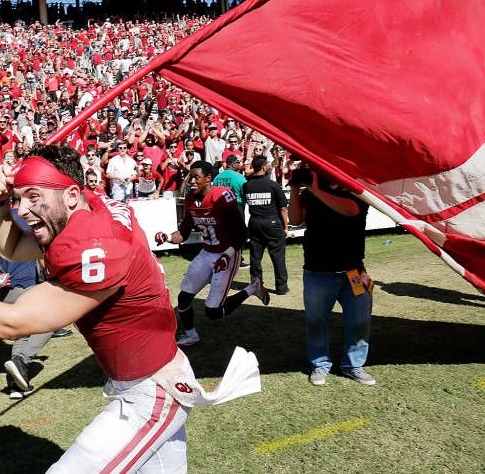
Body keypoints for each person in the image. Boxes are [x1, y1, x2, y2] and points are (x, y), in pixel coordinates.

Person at [0, 145, 261, 472]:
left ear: (71, 195)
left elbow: (17, 322)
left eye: (33, 197)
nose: (23, 210)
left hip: (151, 393)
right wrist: (0, 204)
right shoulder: (86, 208)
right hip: (146, 378)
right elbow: (14, 247)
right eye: (19, 198)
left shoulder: (95, 242)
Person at [155, 160, 269, 347]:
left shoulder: (221, 196)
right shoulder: (191, 198)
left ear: (208, 178)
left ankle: (252, 288)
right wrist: (167, 237)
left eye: (196, 177)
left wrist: (226, 255)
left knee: (213, 312)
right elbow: (183, 233)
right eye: (190, 177)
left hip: (227, 253)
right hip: (207, 252)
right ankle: (191, 335)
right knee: (183, 298)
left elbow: (242, 233)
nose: (192, 181)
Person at [289, 169, 375, 386]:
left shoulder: (357, 190)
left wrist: (314, 189)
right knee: (316, 322)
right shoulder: (310, 192)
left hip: (354, 272)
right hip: (317, 271)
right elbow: (295, 219)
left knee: (361, 319)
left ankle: (354, 365)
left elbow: (349, 210)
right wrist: (295, 189)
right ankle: (320, 364)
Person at [242, 155, 290, 294]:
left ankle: (256, 286)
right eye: (267, 164)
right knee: (278, 256)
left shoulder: (247, 185)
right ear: (264, 167)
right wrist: (286, 227)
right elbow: (283, 208)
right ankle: (281, 287)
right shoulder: (272, 185)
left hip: (255, 222)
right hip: (272, 222)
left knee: (255, 257)